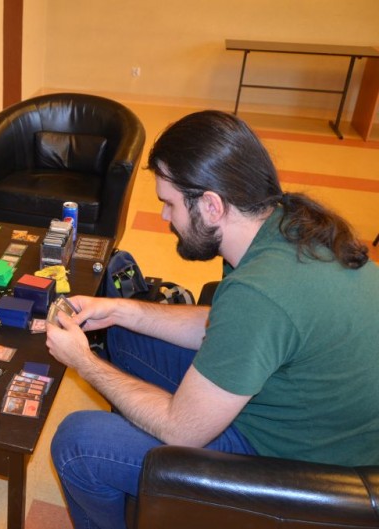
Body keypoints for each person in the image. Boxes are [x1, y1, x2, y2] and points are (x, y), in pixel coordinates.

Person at [45, 110, 379, 529]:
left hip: (303, 470)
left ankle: (140, 471)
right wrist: (120, 310)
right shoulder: (281, 224)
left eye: (169, 203)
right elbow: (227, 327)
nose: (164, 217)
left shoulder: (261, 292)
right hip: (304, 415)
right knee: (124, 335)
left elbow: (182, 431)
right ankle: (142, 475)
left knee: (77, 442)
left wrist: (84, 361)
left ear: (211, 205)